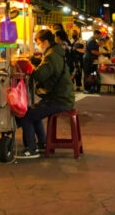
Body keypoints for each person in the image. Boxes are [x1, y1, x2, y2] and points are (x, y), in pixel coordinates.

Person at [16, 29, 75, 159]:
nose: (38, 46)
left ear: (46, 42)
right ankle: (42, 143)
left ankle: (31, 149)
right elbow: (49, 68)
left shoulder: (51, 55)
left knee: (27, 116)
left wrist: (30, 67)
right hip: (62, 97)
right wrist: (34, 60)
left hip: (59, 100)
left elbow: (40, 75)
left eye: (39, 43)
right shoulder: (55, 52)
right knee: (33, 111)